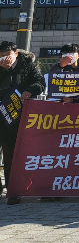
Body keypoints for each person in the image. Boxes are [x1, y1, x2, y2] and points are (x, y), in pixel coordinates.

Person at [0, 41, 46, 205]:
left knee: (11, 155)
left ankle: (13, 191)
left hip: (17, 117)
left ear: (16, 54)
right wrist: (4, 71)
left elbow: (40, 82)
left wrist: (30, 90)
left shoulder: (27, 65)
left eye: (8, 55)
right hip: (1, 113)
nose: (6, 58)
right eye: (2, 56)